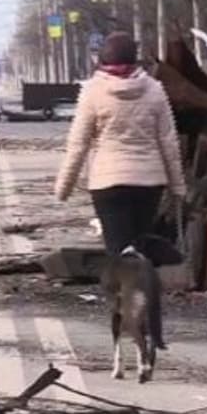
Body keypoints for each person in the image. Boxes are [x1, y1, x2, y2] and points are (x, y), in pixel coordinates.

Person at [54, 31, 187, 256]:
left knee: (119, 250)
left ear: (102, 60)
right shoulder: (154, 90)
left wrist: (64, 187)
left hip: (108, 183)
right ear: (135, 60)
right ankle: (144, 286)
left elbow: (78, 144)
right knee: (141, 243)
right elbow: (169, 142)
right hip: (149, 183)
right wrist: (177, 186)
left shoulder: (92, 92)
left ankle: (127, 286)